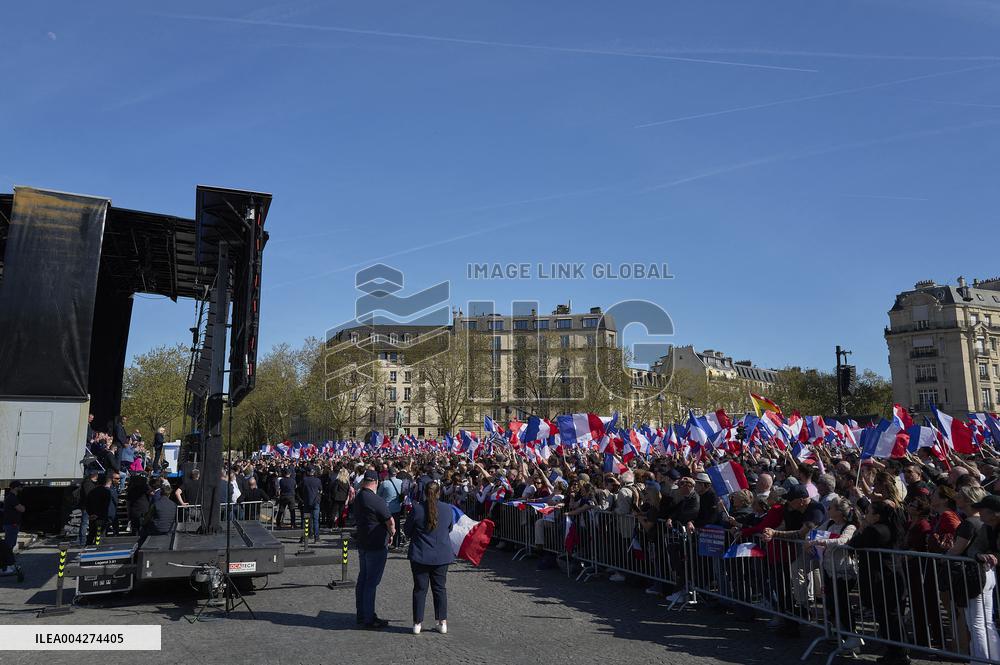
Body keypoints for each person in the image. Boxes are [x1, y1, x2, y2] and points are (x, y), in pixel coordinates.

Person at [403, 480, 454, 635]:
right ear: (439, 493)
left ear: (424, 493)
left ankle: (417, 623)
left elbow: (407, 530)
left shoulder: (417, 510)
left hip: (421, 554)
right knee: (440, 589)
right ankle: (442, 622)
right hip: (441, 555)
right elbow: (449, 528)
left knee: (420, 589)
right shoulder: (447, 509)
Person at [354, 470, 395, 630]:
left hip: (363, 542)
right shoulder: (376, 499)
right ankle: (369, 618)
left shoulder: (359, 497)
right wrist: (392, 533)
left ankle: (362, 614)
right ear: (376, 482)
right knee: (371, 582)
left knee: (363, 579)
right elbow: (390, 520)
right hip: (376, 544)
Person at [378, 468, 405, 548]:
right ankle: (396, 543)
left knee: (386, 526)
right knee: (396, 525)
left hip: (386, 508)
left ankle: (386, 541)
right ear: (396, 474)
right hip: (397, 508)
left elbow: (379, 495)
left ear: (388, 474)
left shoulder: (384, 483)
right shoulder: (401, 482)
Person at [300, 466, 323, 543]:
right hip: (315, 501)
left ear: (307, 472)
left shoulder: (304, 480)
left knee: (305, 520)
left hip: (307, 501)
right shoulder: (317, 480)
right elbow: (321, 490)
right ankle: (316, 538)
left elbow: (299, 489)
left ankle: (303, 537)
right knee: (316, 521)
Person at [78, 468, 99, 546]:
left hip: (88, 506)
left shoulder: (89, 483)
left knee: (86, 523)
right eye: (97, 475)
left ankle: (84, 540)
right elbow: (88, 495)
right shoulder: (87, 483)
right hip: (87, 506)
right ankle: (83, 541)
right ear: (94, 475)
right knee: (85, 524)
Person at [2, 481, 26, 551]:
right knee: (10, 543)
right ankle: (6, 560)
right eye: (20, 486)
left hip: (11, 524)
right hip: (11, 524)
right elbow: (21, 509)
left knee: (11, 543)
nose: (21, 488)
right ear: (15, 488)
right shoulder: (12, 498)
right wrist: (23, 507)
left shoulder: (12, 497)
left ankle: (8, 559)